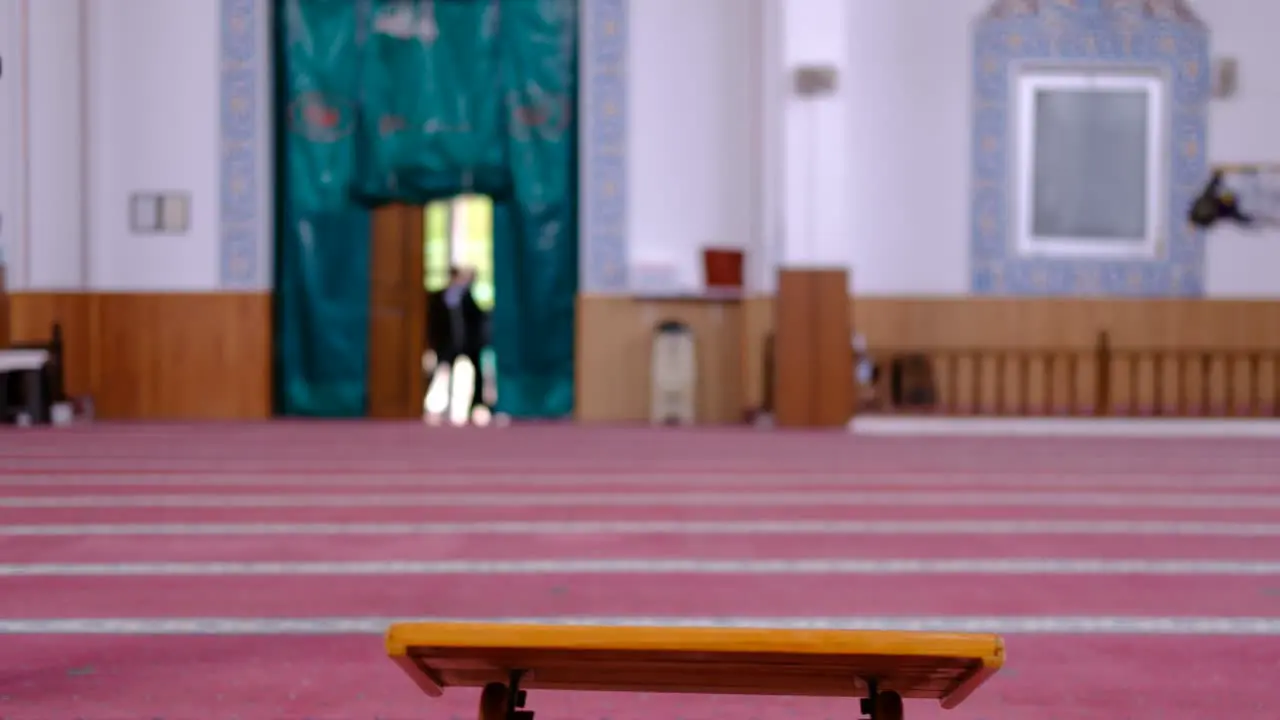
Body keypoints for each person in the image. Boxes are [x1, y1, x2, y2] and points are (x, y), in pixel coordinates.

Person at [427, 266, 488, 416]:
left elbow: (478, 319)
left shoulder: (467, 297)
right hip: (448, 344)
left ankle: (476, 403)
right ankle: (437, 405)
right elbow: (434, 322)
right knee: (441, 373)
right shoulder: (439, 297)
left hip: (468, 344)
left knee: (477, 374)